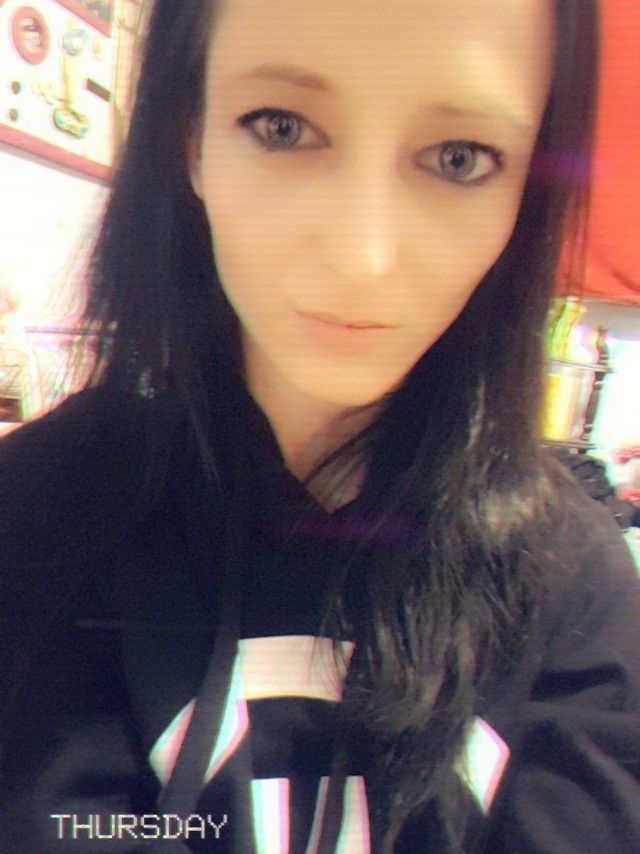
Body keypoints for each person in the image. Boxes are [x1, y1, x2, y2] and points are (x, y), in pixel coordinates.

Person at [1, 0, 639, 852]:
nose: (361, 258)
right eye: (282, 127)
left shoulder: (577, 586)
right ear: (190, 138)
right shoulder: (35, 517)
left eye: (459, 157)